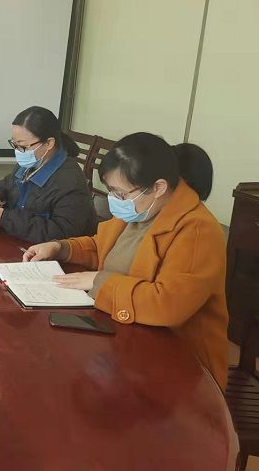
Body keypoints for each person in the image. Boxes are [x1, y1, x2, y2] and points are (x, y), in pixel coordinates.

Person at [23, 133, 228, 389]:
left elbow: (168, 305)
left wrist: (100, 281)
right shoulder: (140, 207)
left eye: (120, 193)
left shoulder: (197, 230)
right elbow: (104, 248)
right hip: (125, 338)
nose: (114, 200)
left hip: (180, 365)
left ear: (158, 187)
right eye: (111, 191)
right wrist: (61, 248)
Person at [0, 106, 96, 243]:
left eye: (23, 146)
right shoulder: (30, 163)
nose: (18, 151)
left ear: (49, 143)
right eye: (14, 144)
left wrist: (5, 218)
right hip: (19, 241)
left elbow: (63, 233)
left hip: (49, 252)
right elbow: (3, 186)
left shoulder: (70, 181)